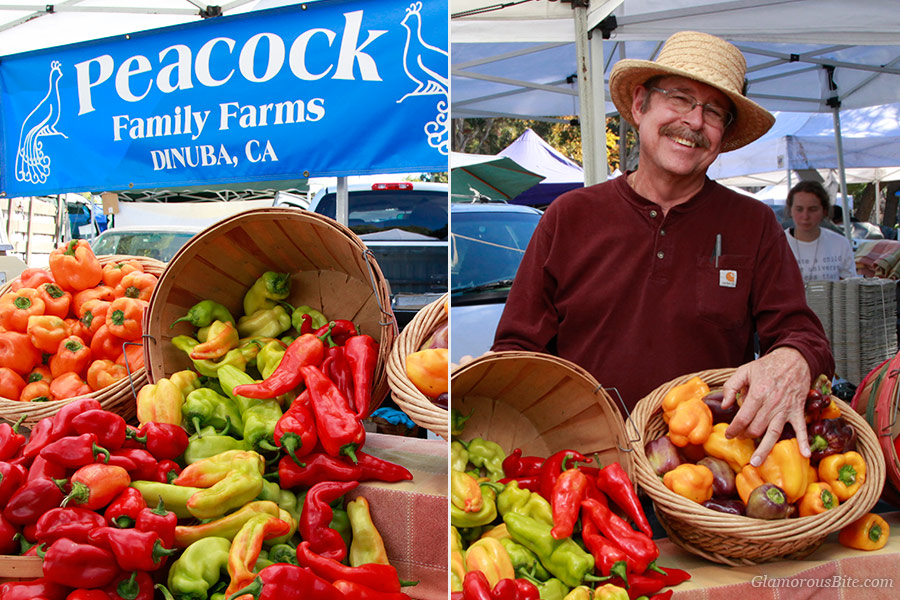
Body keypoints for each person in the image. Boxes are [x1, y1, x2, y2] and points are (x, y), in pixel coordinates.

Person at [491, 31, 834, 466]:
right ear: (640, 105)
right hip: (584, 471)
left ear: (724, 135)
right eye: (679, 98)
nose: (694, 121)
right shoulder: (569, 216)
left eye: (714, 112)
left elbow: (804, 335)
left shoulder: (754, 224)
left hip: (708, 484)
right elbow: (517, 348)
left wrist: (792, 357)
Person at [784, 181, 857, 282]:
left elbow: (850, 286)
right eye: (799, 209)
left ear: (824, 211)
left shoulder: (840, 244)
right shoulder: (777, 244)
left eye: (812, 209)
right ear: (790, 210)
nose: (805, 216)